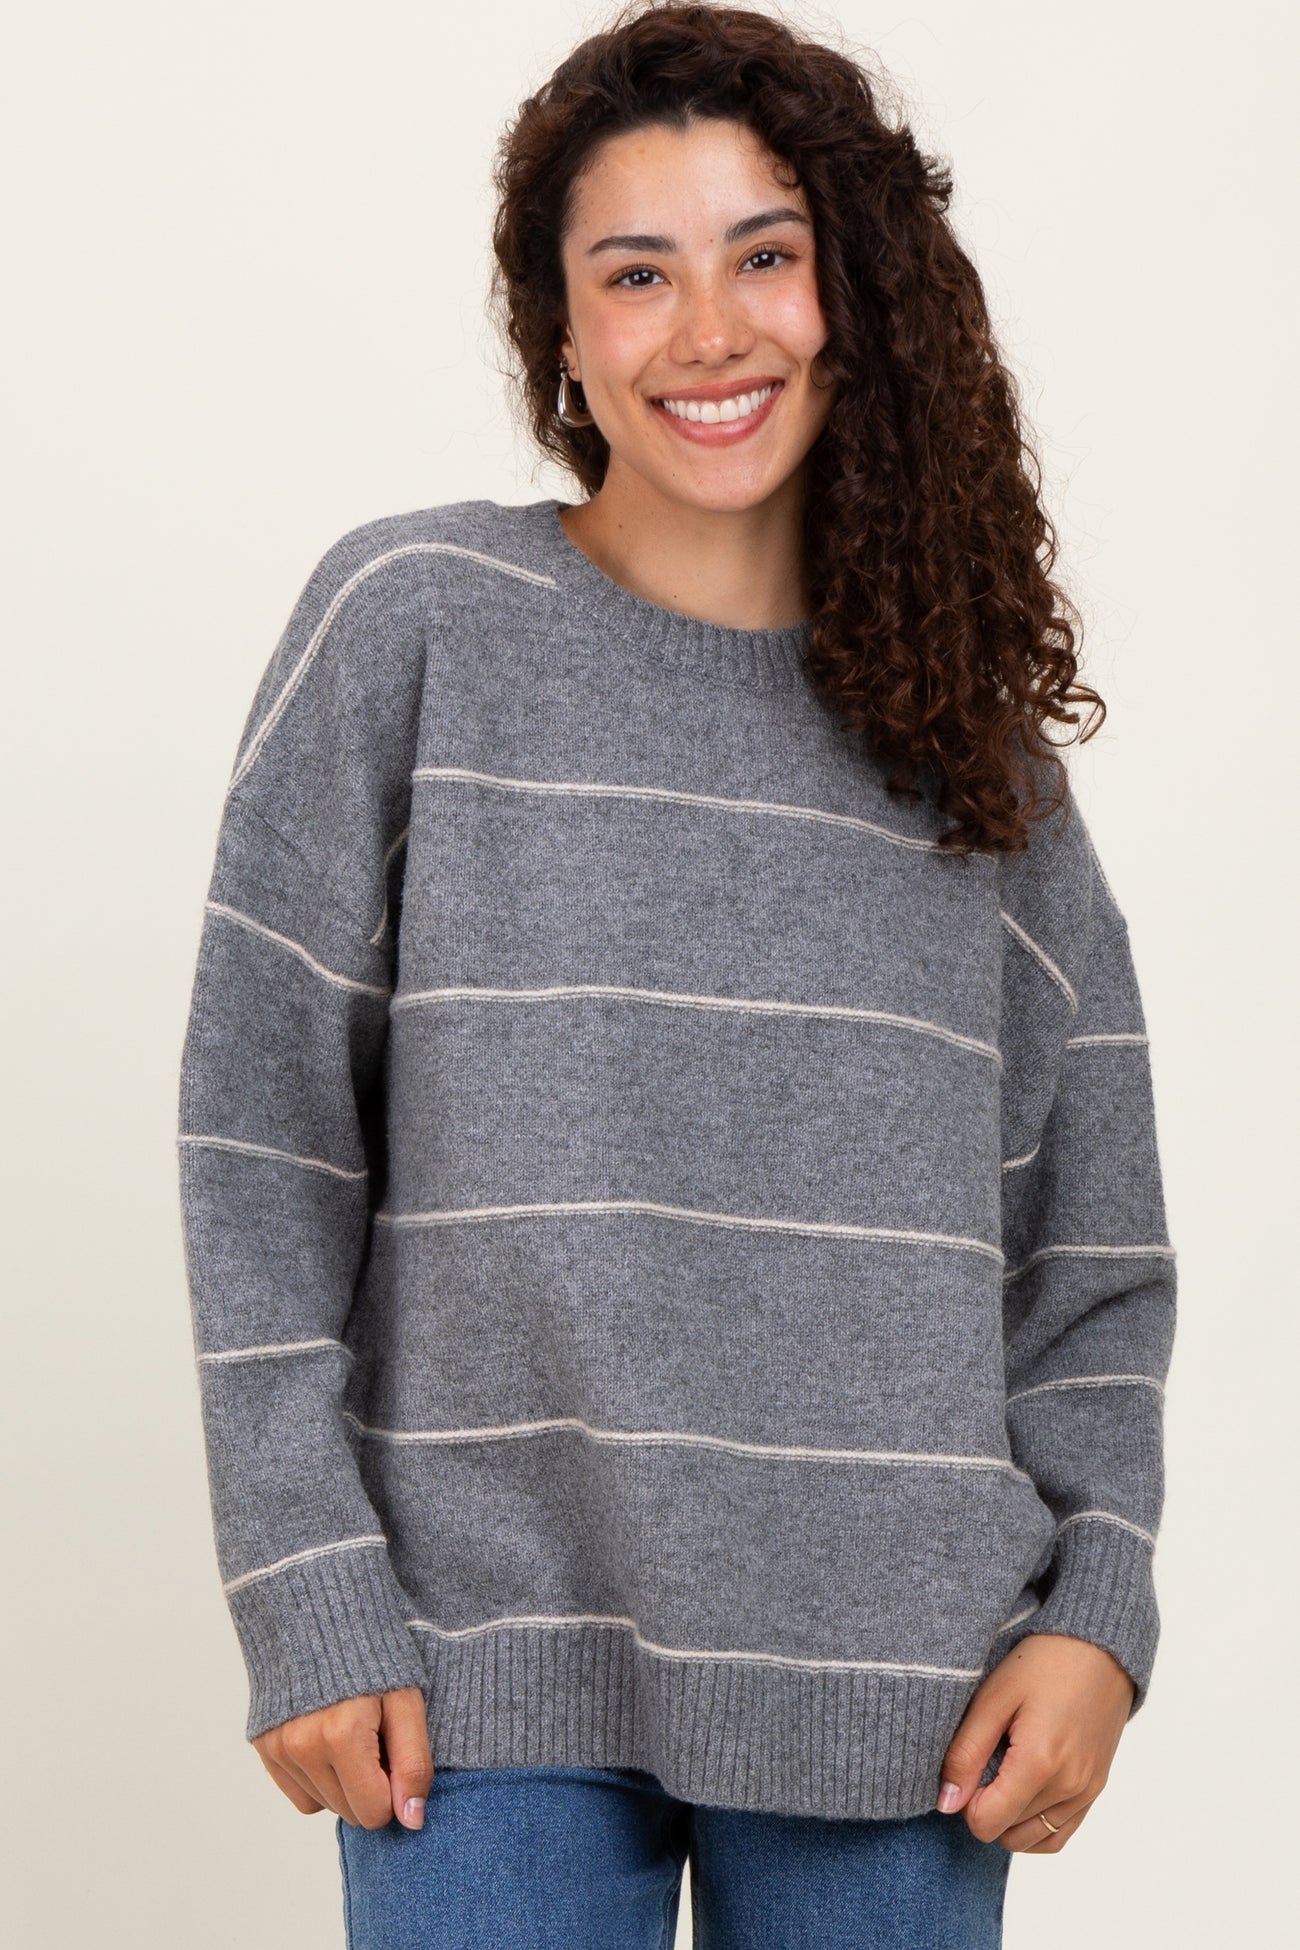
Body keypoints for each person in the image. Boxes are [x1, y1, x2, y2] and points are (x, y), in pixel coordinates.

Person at [175, 4, 1177, 1945]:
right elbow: (260, 1149)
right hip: (478, 1676)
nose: (708, 330)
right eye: (636, 273)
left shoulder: (973, 751)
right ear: (559, 333)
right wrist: (305, 1588)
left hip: (906, 1687)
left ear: (852, 297)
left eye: (763, 256)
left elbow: (1093, 1250)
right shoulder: (414, 629)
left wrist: (1097, 1618)